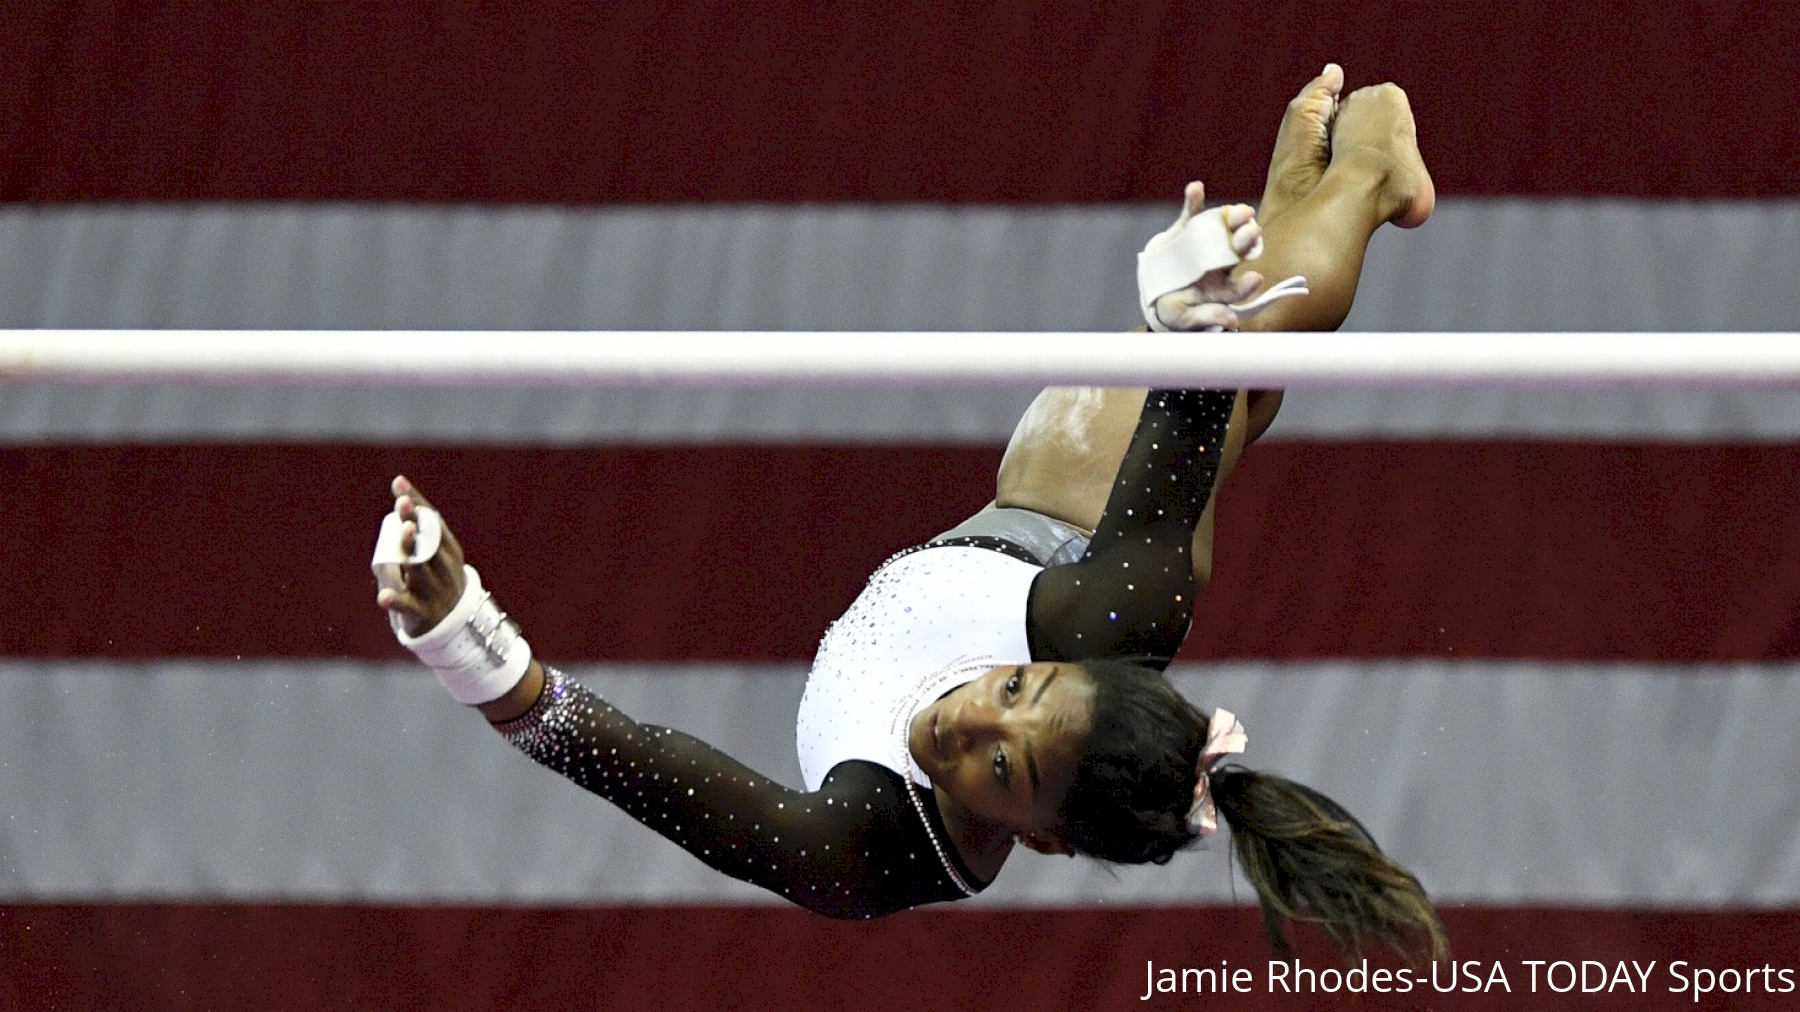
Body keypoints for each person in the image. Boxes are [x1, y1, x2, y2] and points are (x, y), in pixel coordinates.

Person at [372, 66, 1446, 963]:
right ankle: (1365, 171)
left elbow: (647, 766)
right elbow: (1191, 397)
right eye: (1016, 692)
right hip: (1051, 529)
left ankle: (1302, 212)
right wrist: (1192, 323)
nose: (968, 719)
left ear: (1047, 843)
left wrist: (463, 636)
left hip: (1013, 539)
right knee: (1220, 380)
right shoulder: (1114, 623)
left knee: (1222, 401)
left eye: (1002, 769)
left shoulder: (865, 849)